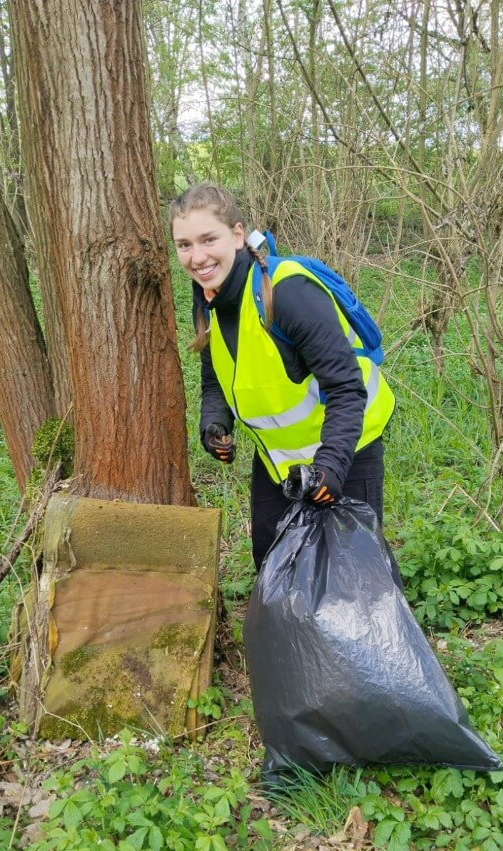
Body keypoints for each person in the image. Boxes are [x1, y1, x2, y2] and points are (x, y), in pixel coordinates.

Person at [170, 183, 396, 571]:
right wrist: (215, 422)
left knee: (354, 574)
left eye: (209, 239)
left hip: (347, 448)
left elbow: (346, 387)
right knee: (274, 564)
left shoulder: (287, 292)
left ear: (237, 235)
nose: (197, 257)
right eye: (184, 245)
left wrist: (331, 466)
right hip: (279, 462)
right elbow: (215, 378)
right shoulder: (208, 300)